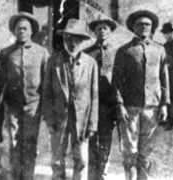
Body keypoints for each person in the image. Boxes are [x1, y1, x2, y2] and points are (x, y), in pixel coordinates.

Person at [0, 12, 49, 180]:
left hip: (33, 106)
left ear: (31, 31)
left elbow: (47, 81)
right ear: (14, 31)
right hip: (12, 105)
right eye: (18, 28)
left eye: (25, 28)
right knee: (13, 143)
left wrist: (45, 105)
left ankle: (28, 176)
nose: (22, 31)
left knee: (29, 143)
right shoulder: (6, 53)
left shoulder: (42, 53)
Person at [112, 10, 170, 180]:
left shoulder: (159, 50)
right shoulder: (124, 51)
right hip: (130, 107)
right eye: (140, 24)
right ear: (133, 27)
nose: (144, 27)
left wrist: (165, 105)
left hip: (152, 107)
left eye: (147, 24)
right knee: (130, 151)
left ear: (152, 28)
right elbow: (116, 81)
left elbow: (164, 78)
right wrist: (120, 105)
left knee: (146, 150)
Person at [42, 18, 98, 180]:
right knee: (57, 160)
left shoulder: (90, 64)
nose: (72, 43)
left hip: (82, 120)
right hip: (59, 118)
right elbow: (46, 94)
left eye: (76, 39)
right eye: (68, 38)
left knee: (81, 159)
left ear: (82, 41)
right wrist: (49, 119)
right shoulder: (53, 62)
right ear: (64, 39)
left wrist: (92, 124)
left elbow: (94, 96)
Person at [84, 15, 117, 180]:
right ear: (94, 32)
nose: (102, 31)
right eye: (99, 28)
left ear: (110, 31)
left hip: (109, 104)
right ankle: (91, 175)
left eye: (105, 28)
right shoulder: (87, 53)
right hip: (91, 104)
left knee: (105, 142)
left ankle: (102, 175)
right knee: (91, 140)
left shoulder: (117, 52)